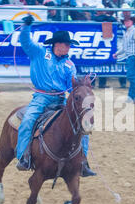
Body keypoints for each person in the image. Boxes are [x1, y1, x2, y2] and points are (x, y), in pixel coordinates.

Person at [16, 15, 96, 176]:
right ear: (57, 44)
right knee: (28, 120)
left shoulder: (69, 65)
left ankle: (83, 162)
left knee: (82, 126)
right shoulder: (39, 53)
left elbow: (70, 87)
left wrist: (79, 88)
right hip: (41, 98)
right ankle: (23, 157)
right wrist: (26, 26)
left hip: (61, 99)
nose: (68, 48)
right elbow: (25, 41)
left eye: (69, 45)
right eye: (67, 45)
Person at [113, 16, 135, 103]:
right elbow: (124, 47)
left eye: (128, 21)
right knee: (132, 76)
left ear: (132, 22)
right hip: (130, 57)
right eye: (125, 21)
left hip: (133, 56)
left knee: (131, 76)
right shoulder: (127, 33)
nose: (126, 22)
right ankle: (131, 97)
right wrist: (117, 54)